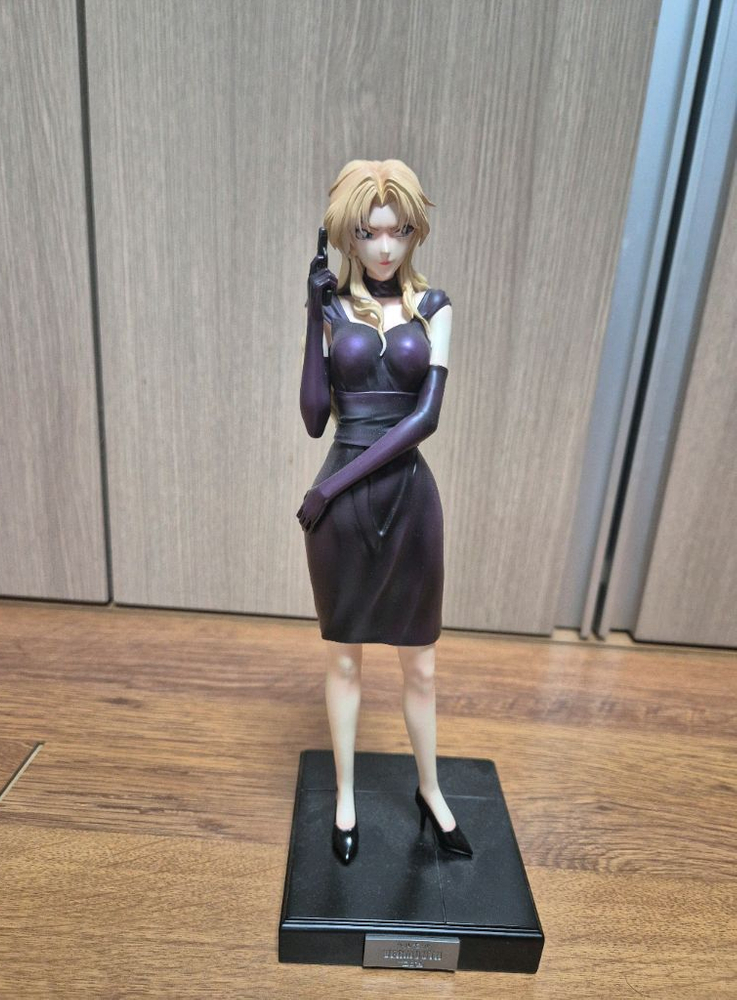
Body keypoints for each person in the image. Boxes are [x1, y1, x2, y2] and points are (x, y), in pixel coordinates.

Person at [297, 159, 472, 864]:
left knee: (421, 665)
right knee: (344, 660)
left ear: (414, 232)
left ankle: (431, 790)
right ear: (346, 236)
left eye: (397, 231)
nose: (384, 247)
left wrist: (332, 488)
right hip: (340, 509)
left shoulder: (435, 308)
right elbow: (315, 417)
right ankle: (345, 798)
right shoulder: (334, 308)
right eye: (368, 234)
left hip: (402, 499)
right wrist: (313, 317)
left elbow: (425, 418)